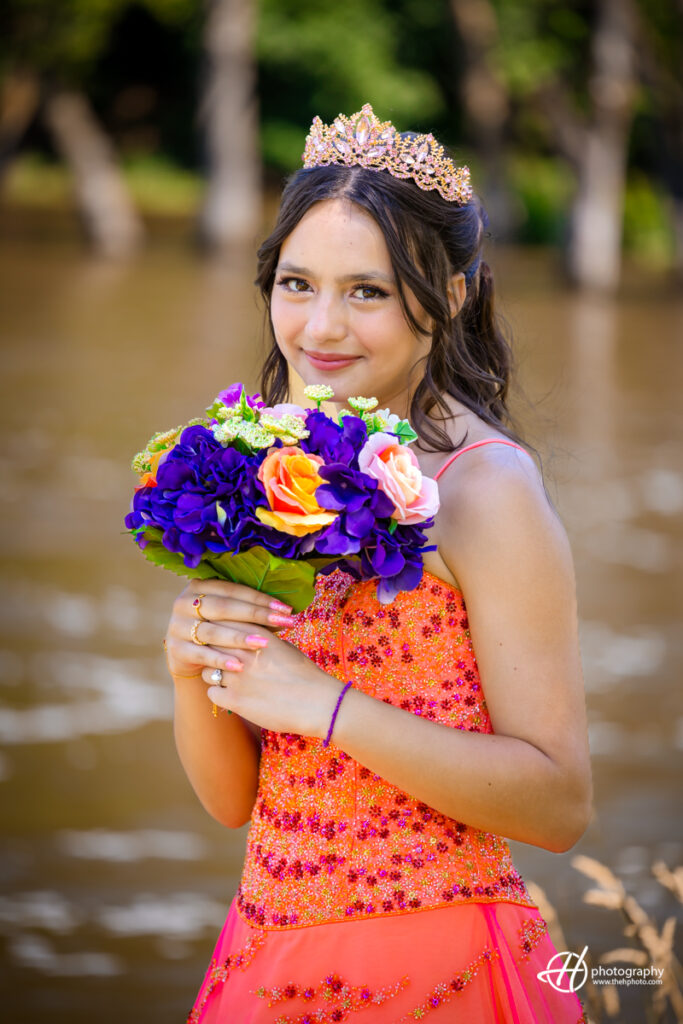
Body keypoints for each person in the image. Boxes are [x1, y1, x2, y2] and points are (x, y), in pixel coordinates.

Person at [164, 103, 593, 1023]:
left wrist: (325, 707)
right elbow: (233, 799)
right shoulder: (259, 468)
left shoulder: (486, 492)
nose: (320, 328)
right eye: (296, 283)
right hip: (266, 951)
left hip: (434, 963)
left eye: (367, 291)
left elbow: (558, 804)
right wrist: (187, 664)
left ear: (452, 294)